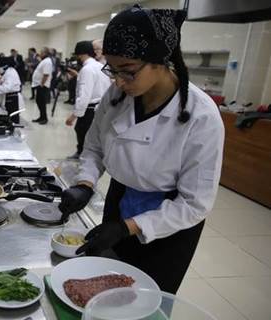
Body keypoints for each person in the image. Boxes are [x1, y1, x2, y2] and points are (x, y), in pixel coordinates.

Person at [58, 5, 224, 295]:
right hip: (119, 200)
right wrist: (85, 183)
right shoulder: (117, 95)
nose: (118, 82)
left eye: (128, 71)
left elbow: (195, 203)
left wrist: (128, 228)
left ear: (161, 60)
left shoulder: (202, 116)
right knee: (103, 288)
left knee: (147, 297)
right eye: (112, 69)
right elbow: (95, 147)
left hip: (169, 221)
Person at [65, 41, 111, 159]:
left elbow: (84, 95)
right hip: (101, 107)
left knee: (82, 131)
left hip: (89, 109)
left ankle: (83, 154)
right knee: (91, 133)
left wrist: (74, 116)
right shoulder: (100, 66)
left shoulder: (87, 69)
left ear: (80, 55)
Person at [0, 56, 24, 123]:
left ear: (5, 66)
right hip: (8, 97)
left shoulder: (11, 73)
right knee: (9, 119)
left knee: (13, 120)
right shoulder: (7, 72)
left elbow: (6, 88)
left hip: (13, 99)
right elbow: (1, 84)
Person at [31, 47, 53, 125]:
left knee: (42, 102)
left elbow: (46, 75)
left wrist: (41, 84)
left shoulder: (47, 62)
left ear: (45, 53)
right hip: (39, 84)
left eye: (41, 52)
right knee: (39, 101)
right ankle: (41, 117)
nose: (39, 54)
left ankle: (44, 118)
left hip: (43, 85)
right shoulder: (44, 61)